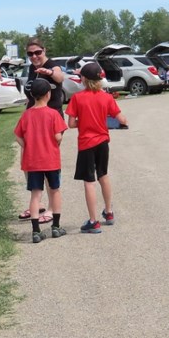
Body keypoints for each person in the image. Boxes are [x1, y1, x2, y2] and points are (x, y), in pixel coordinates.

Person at [65, 62, 127, 234]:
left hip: (86, 143)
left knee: (89, 181)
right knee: (103, 175)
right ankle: (108, 212)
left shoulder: (77, 98)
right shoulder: (106, 97)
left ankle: (93, 221)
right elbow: (122, 119)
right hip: (102, 142)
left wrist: (83, 121)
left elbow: (70, 124)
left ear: (83, 79)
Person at [13, 78, 68, 243]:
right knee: (54, 190)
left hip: (32, 161)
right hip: (50, 160)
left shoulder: (27, 114)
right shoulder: (53, 114)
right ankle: (56, 227)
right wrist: (56, 142)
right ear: (48, 94)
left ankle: (36, 231)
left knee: (35, 195)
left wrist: (28, 145)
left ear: (31, 96)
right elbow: (58, 136)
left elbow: (18, 136)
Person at [24, 38, 65, 116]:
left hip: (51, 117)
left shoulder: (52, 65)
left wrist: (50, 72)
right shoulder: (32, 67)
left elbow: (60, 78)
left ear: (44, 50)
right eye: (30, 53)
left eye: (38, 52)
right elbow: (30, 96)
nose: (34, 56)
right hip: (34, 116)